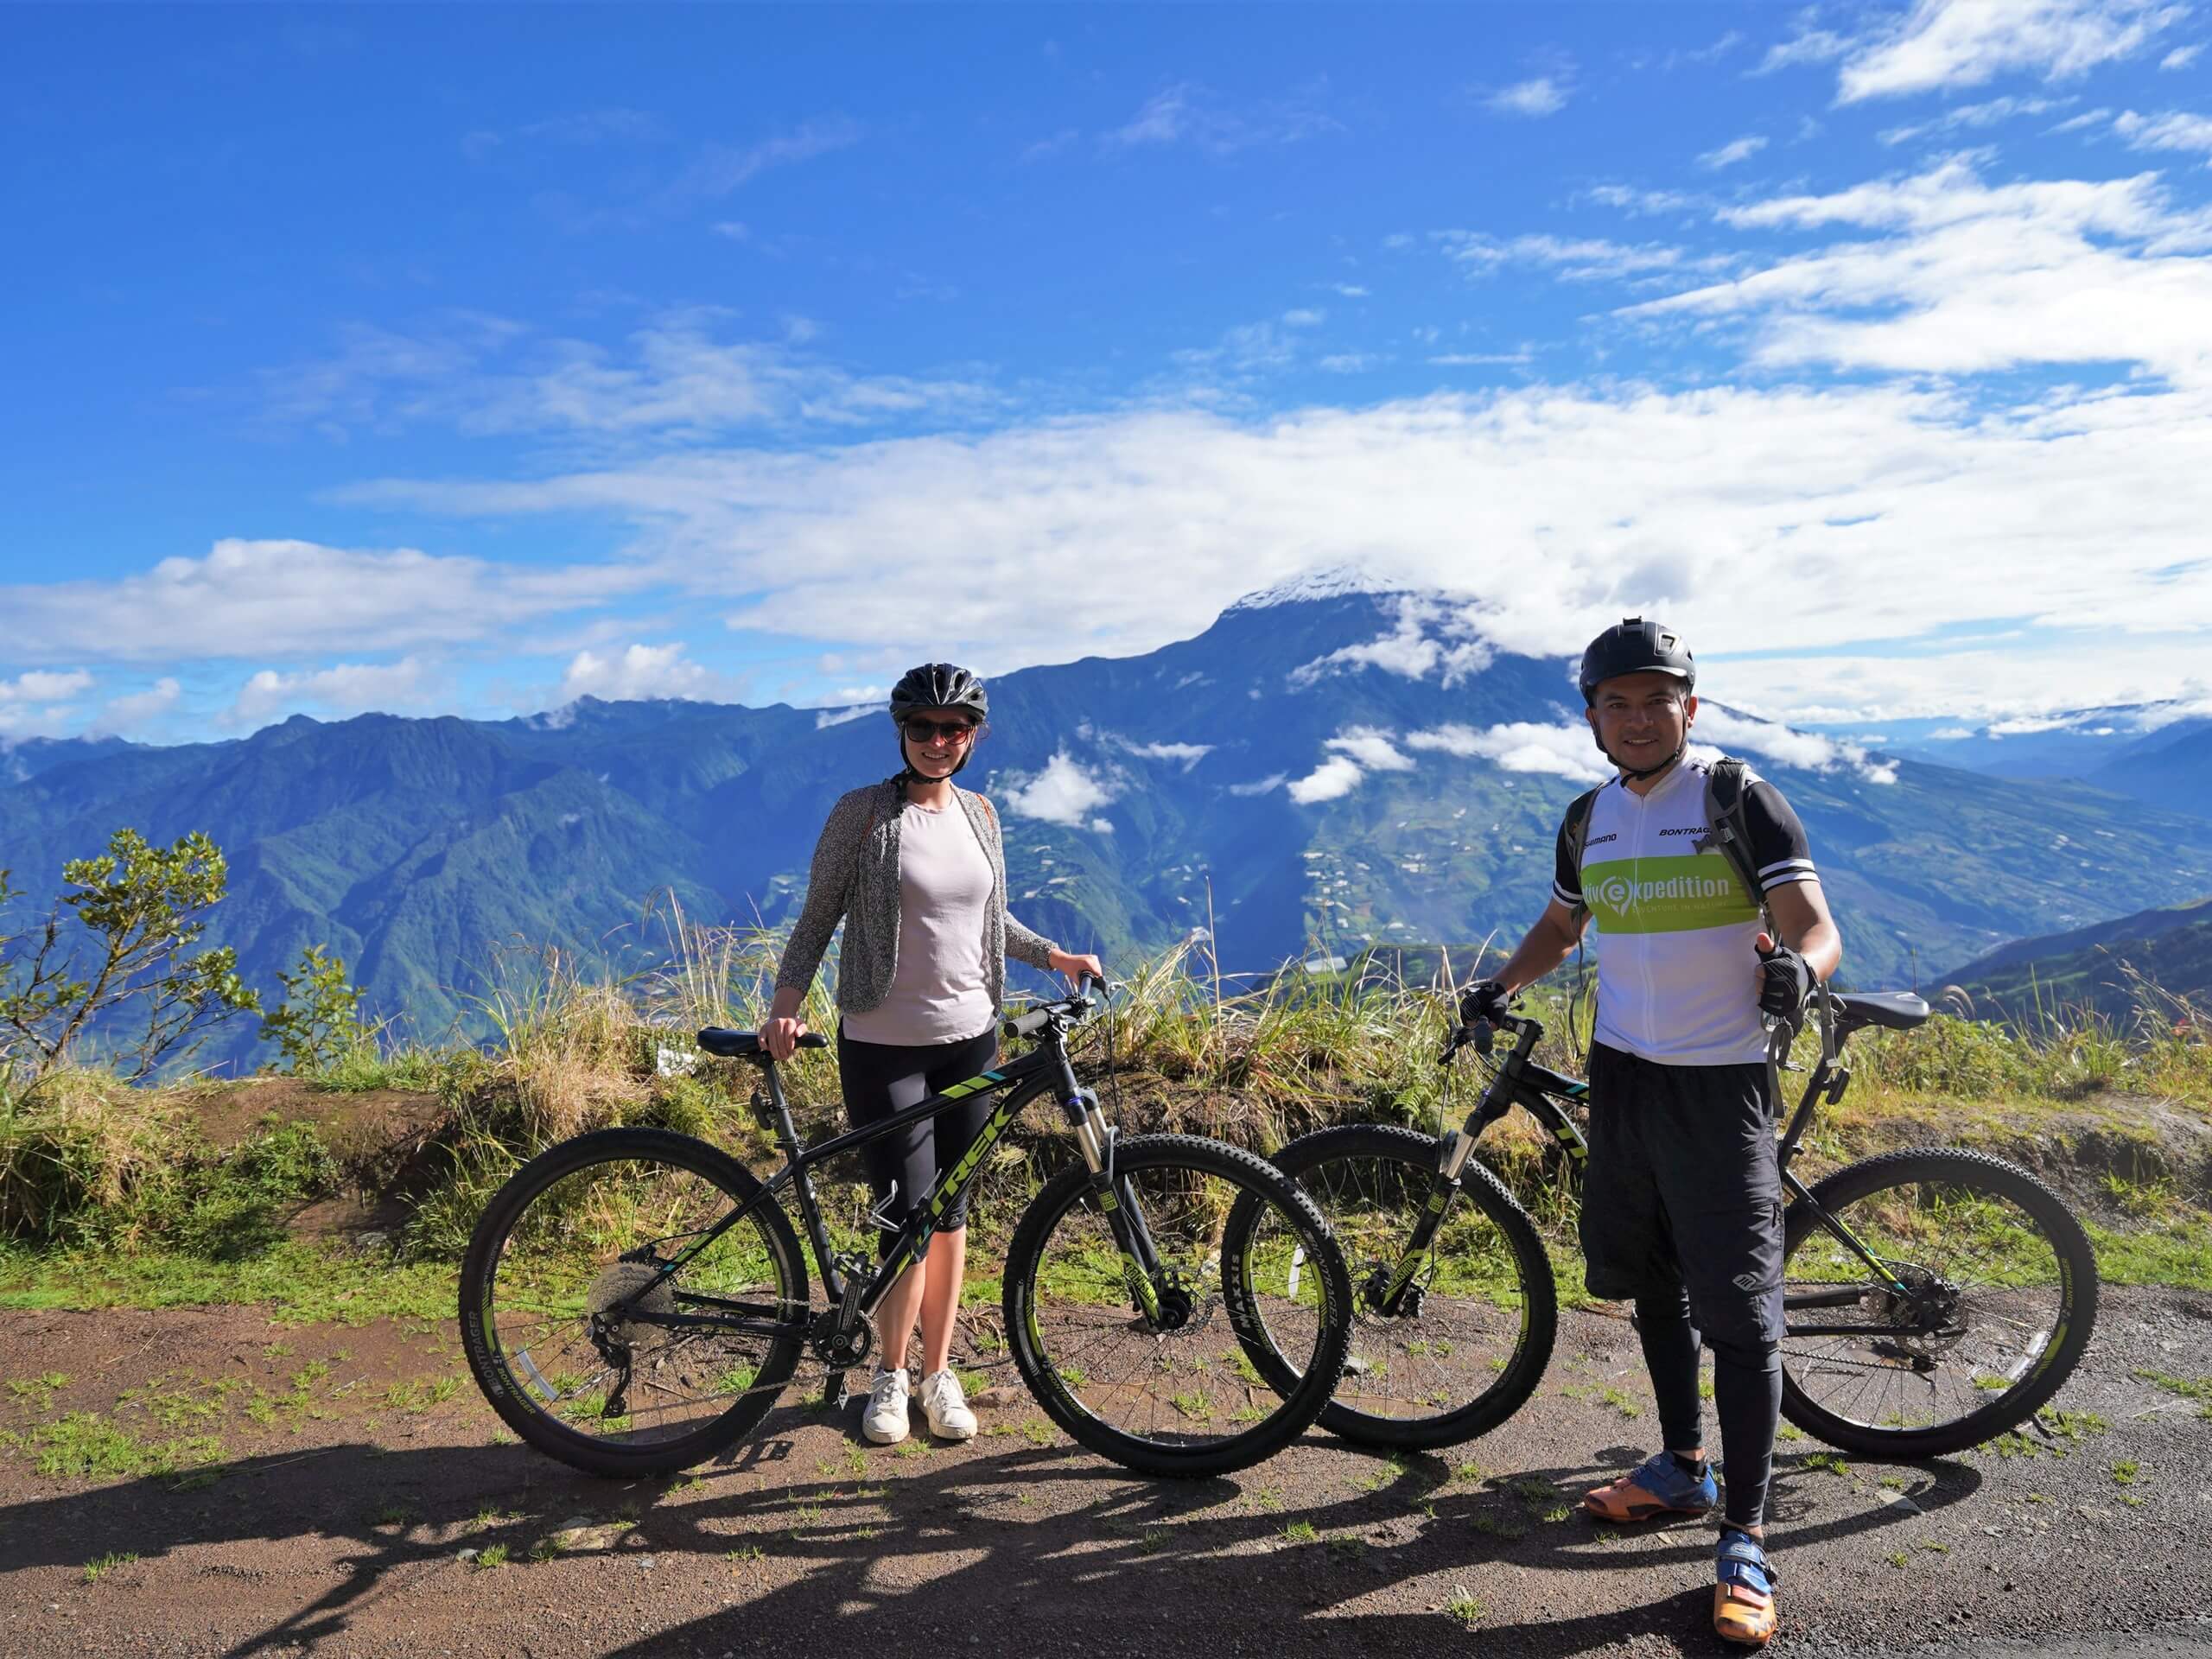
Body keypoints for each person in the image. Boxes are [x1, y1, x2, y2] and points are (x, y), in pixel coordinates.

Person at [1459, 618, 1841, 1647]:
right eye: (1615, 704)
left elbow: (1814, 924)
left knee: (1742, 1314)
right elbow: (1562, 925)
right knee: (1653, 1281)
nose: (1636, 718)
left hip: (1721, 1085)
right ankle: (1680, 1465)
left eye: (1654, 699)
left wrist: (1798, 973)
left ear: (1690, 706)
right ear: (1590, 718)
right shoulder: (1587, 819)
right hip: (1623, 1076)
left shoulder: (1734, 797)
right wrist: (1500, 985)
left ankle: (1746, 1534)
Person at [761, 663, 1103, 1446]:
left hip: (971, 1038)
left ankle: (938, 1372)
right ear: (902, 734)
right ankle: (887, 1375)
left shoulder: (981, 813)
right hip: (884, 1043)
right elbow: (818, 917)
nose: (939, 742)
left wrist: (1057, 957)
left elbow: (993, 919)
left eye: (954, 730)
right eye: (924, 729)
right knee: (905, 1214)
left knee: (950, 1214)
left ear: (973, 738)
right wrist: (785, 1008)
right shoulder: (862, 814)